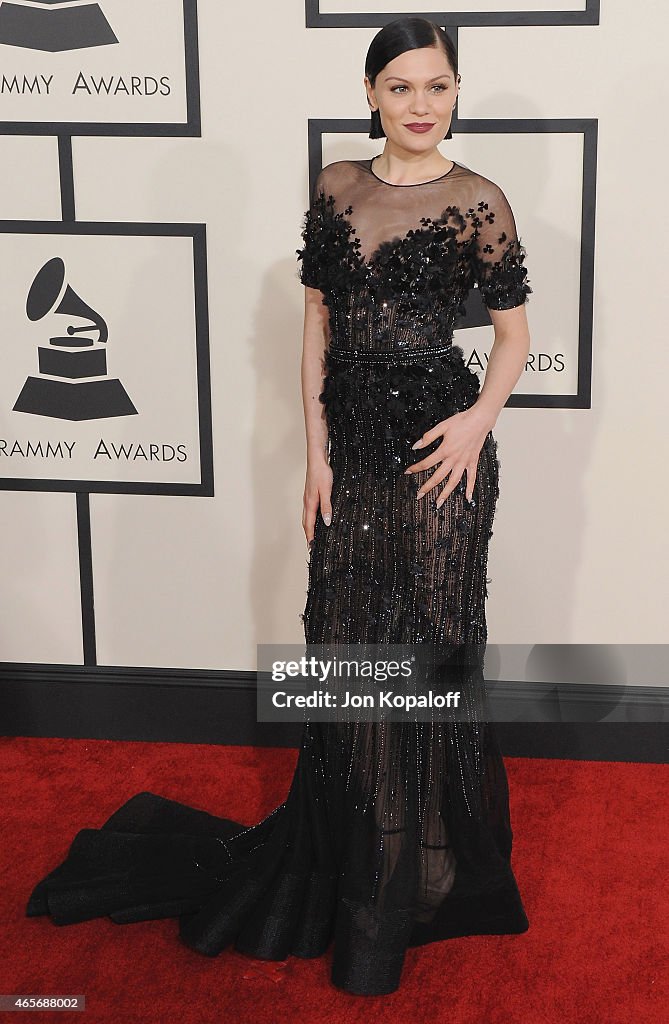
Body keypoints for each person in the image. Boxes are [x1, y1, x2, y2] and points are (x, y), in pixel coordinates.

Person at [25, 16, 532, 998]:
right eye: (401, 87)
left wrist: (476, 423)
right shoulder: (337, 186)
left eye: (438, 86)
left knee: (421, 657)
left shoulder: (481, 202)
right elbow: (316, 320)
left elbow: (511, 338)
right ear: (371, 92)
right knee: (350, 655)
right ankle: (362, 861)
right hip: (355, 458)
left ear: (456, 91)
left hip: (437, 460)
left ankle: (403, 884)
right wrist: (318, 458)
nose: (421, 105)